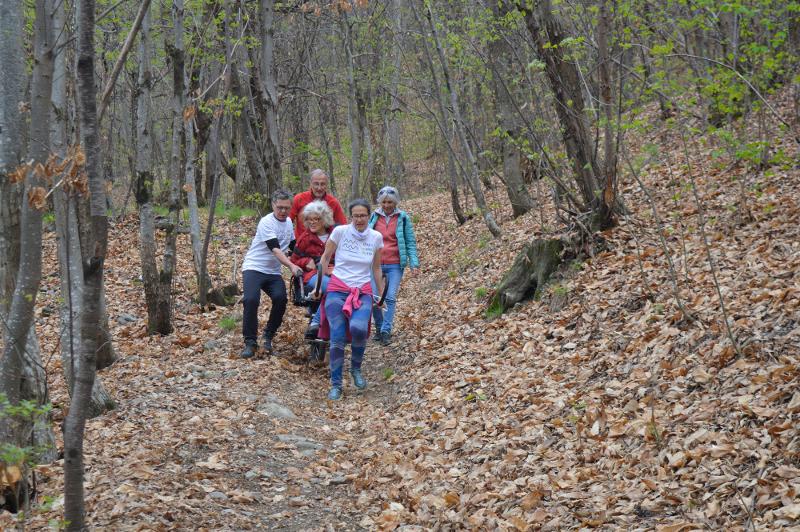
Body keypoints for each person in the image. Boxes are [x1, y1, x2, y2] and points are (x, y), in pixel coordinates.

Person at [315, 199, 385, 401]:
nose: (360, 219)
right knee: (337, 336)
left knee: (359, 329)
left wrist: (381, 296)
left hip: (362, 290)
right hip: (337, 289)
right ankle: (336, 384)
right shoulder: (340, 232)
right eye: (356, 215)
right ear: (350, 216)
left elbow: (377, 268)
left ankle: (355, 369)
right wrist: (320, 286)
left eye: (363, 215)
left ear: (369, 216)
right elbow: (325, 258)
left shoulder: (376, 237)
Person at [240, 189, 304, 358]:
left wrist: (307, 257)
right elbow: (275, 249)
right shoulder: (266, 222)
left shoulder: (289, 222)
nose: (283, 211)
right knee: (251, 299)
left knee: (280, 299)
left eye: (286, 208)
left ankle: (268, 335)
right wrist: (291, 265)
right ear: (273, 205)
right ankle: (250, 342)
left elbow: (291, 245)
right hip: (254, 267)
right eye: (280, 207)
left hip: (273, 271)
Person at [368, 186, 420, 346]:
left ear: (395, 201)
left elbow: (410, 241)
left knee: (389, 297)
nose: (387, 205)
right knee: (375, 297)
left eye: (390, 202)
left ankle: (386, 330)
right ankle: (378, 327)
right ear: (380, 202)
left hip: (395, 263)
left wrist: (414, 263)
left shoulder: (403, 217)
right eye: (384, 202)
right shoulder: (374, 216)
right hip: (375, 263)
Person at [289, 200, 335, 339]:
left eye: (316, 219)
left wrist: (335, 266)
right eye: (309, 220)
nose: (312, 222)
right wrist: (306, 261)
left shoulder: (336, 234)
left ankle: (320, 323)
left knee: (339, 289)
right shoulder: (305, 238)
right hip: (313, 276)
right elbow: (294, 260)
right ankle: (317, 322)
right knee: (333, 288)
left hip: (336, 274)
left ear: (324, 219)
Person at [289, 169, 347, 239]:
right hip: (302, 244)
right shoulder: (299, 198)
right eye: (316, 184)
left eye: (322, 184)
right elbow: (287, 221)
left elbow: (343, 226)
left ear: (326, 184)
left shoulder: (333, 202)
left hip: (325, 245)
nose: (319, 188)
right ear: (310, 183)